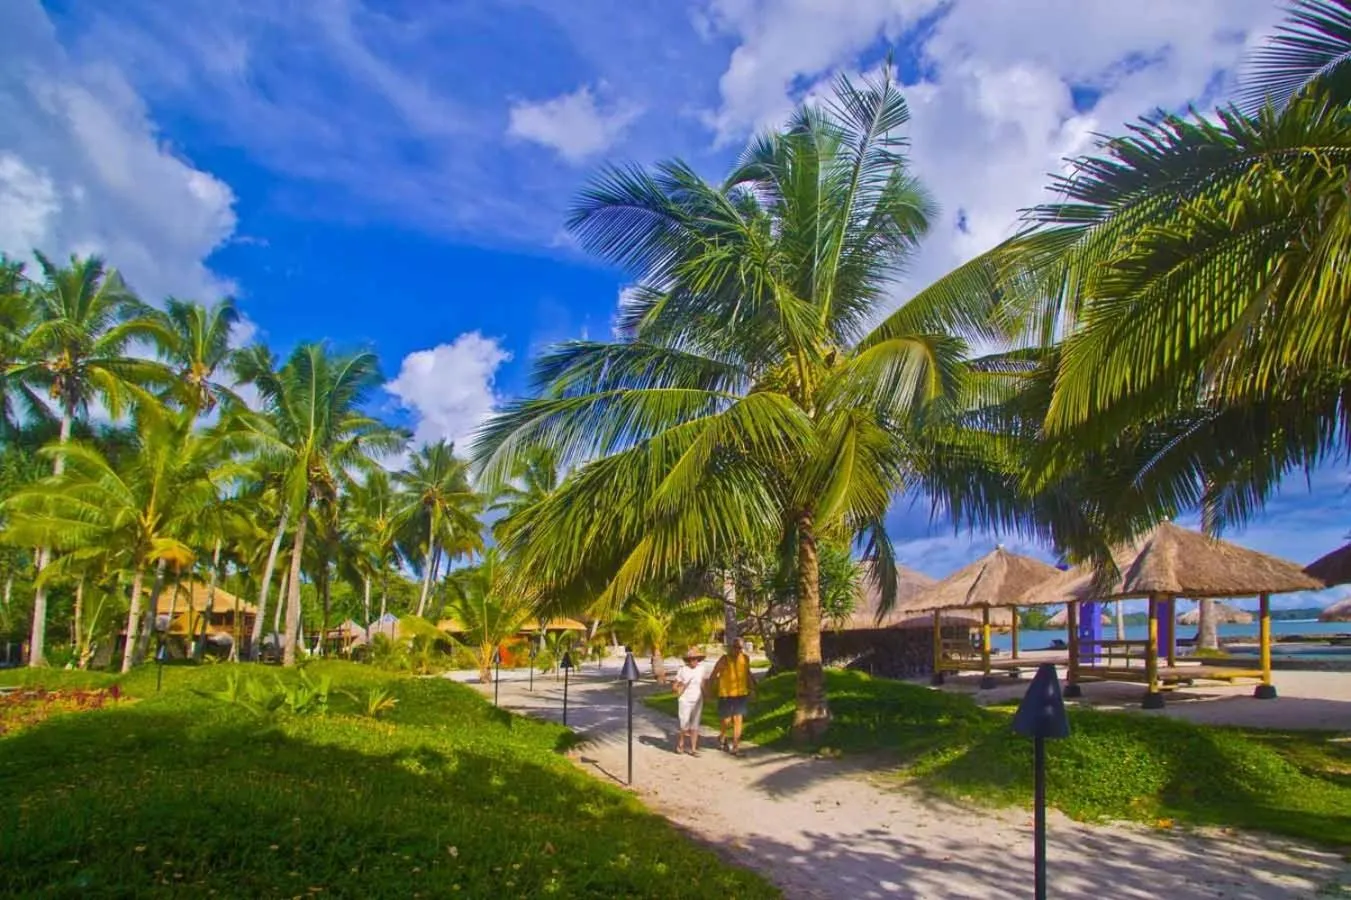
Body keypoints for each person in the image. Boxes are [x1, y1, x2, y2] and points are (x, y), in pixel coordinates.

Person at [711, 638, 755, 756]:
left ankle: (735, 747)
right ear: (731, 647)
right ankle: (722, 736)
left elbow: (747, 674)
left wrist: (752, 689)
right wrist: (710, 690)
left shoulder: (745, 659)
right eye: (735, 647)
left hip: (741, 694)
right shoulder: (724, 659)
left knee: (738, 719)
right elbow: (714, 675)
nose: (737, 650)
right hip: (726, 694)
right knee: (726, 720)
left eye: (740, 648)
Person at [673, 647, 708, 755]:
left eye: (696, 659)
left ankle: (693, 749)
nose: (694, 661)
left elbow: (703, 683)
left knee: (695, 725)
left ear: (698, 660)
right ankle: (681, 742)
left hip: (697, 700)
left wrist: (706, 694)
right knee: (684, 725)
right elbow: (674, 686)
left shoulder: (701, 669)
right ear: (688, 660)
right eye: (691, 659)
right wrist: (680, 686)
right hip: (685, 700)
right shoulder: (683, 670)